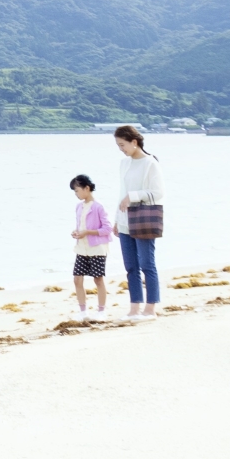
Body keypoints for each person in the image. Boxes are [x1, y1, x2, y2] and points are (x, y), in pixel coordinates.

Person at [113, 124, 164, 318]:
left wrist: (133, 196)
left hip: (143, 220)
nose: (121, 149)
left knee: (147, 264)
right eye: (118, 146)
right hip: (125, 221)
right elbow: (120, 194)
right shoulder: (124, 163)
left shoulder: (150, 163)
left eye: (122, 144)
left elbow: (159, 193)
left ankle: (150, 308)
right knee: (131, 267)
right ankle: (135, 307)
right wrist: (116, 220)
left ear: (134, 142)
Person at [68, 174, 111, 319]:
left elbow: (107, 229)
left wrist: (87, 232)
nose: (76, 194)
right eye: (74, 191)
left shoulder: (99, 207)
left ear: (87, 188)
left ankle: (101, 312)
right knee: (77, 279)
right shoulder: (78, 207)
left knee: (98, 279)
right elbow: (80, 226)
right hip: (82, 248)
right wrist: (77, 232)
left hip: (97, 248)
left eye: (77, 190)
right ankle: (83, 312)